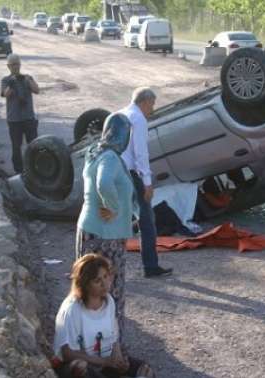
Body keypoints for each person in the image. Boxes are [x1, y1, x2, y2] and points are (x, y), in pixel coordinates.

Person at [76, 113, 135, 341]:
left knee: (88, 287)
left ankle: (88, 342)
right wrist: (114, 207)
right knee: (108, 292)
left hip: (90, 229)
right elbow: (103, 182)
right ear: (122, 135)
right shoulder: (110, 157)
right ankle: (111, 349)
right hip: (105, 235)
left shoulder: (94, 152)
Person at [52, 254, 154, 378]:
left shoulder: (108, 301)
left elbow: (113, 338)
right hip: (76, 365)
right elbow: (67, 354)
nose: (105, 284)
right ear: (85, 284)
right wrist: (104, 362)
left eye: (106, 277)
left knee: (144, 371)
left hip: (104, 362)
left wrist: (118, 359)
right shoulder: (72, 310)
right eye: (97, 281)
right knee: (80, 368)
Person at [120, 87, 172, 278]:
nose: (153, 108)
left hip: (118, 171)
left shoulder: (121, 113)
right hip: (133, 174)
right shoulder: (139, 119)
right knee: (147, 220)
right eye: (152, 104)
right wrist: (147, 182)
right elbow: (141, 152)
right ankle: (150, 265)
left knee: (120, 219)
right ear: (145, 101)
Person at [0, 53, 39, 174]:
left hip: (28, 118)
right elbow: (5, 94)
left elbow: (37, 90)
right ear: (8, 66)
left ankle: (35, 168)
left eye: (16, 64)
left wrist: (28, 80)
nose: (15, 67)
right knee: (16, 147)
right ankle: (19, 171)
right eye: (12, 65)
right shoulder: (6, 80)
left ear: (20, 65)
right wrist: (12, 83)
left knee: (34, 145)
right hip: (14, 120)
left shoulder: (27, 78)